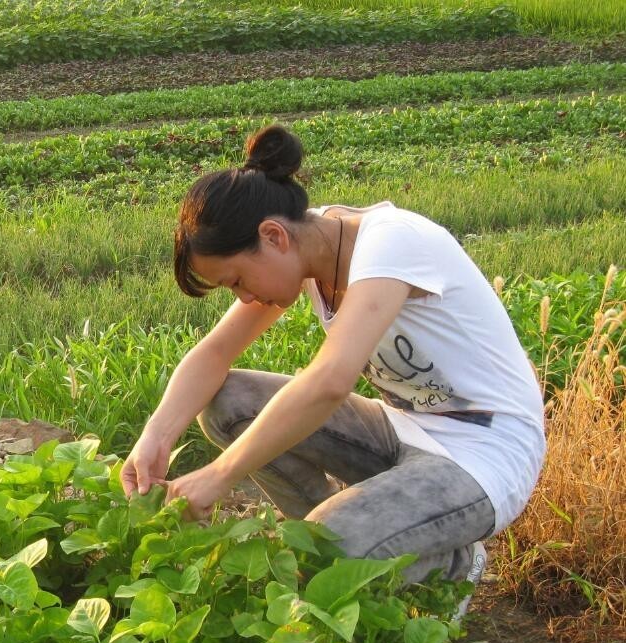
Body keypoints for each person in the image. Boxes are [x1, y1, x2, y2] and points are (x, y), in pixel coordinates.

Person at [120, 123, 546, 597]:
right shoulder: (309, 244)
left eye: (237, 280)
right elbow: (215, 353)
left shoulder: (391, 243)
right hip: (403, 427)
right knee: (230, 403)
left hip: (485, 453)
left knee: (331, 550)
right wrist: (155, 436)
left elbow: (330, 380)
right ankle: (359, 532)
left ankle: (445, 564)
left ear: (273, 236)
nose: (243, 296)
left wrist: (221, 475)